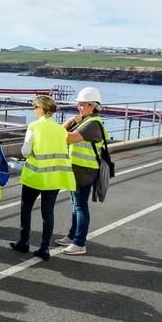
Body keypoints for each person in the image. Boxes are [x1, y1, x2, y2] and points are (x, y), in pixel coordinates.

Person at [10, 95, 76, 261]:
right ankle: (44, 248)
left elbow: (25, 151)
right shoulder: (60, 129)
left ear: (41, 108)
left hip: (35, 176)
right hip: (53, 177)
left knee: (26, 208)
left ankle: (23, 242)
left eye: (35, 106)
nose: (33, 109)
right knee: (48, 213)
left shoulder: (34, 126)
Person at [57, 87, 106, 255]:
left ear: (92, 106)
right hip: (77, 169)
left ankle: (79, 243)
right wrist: (72, 122)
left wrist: (69, 122)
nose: (79, 107)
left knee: (80, 206)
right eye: (79, 104)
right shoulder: (85, 121)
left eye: (82, 104)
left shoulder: (92, 124)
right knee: (76, 205)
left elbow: (67, 137)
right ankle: (72, 236)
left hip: (84, 171)